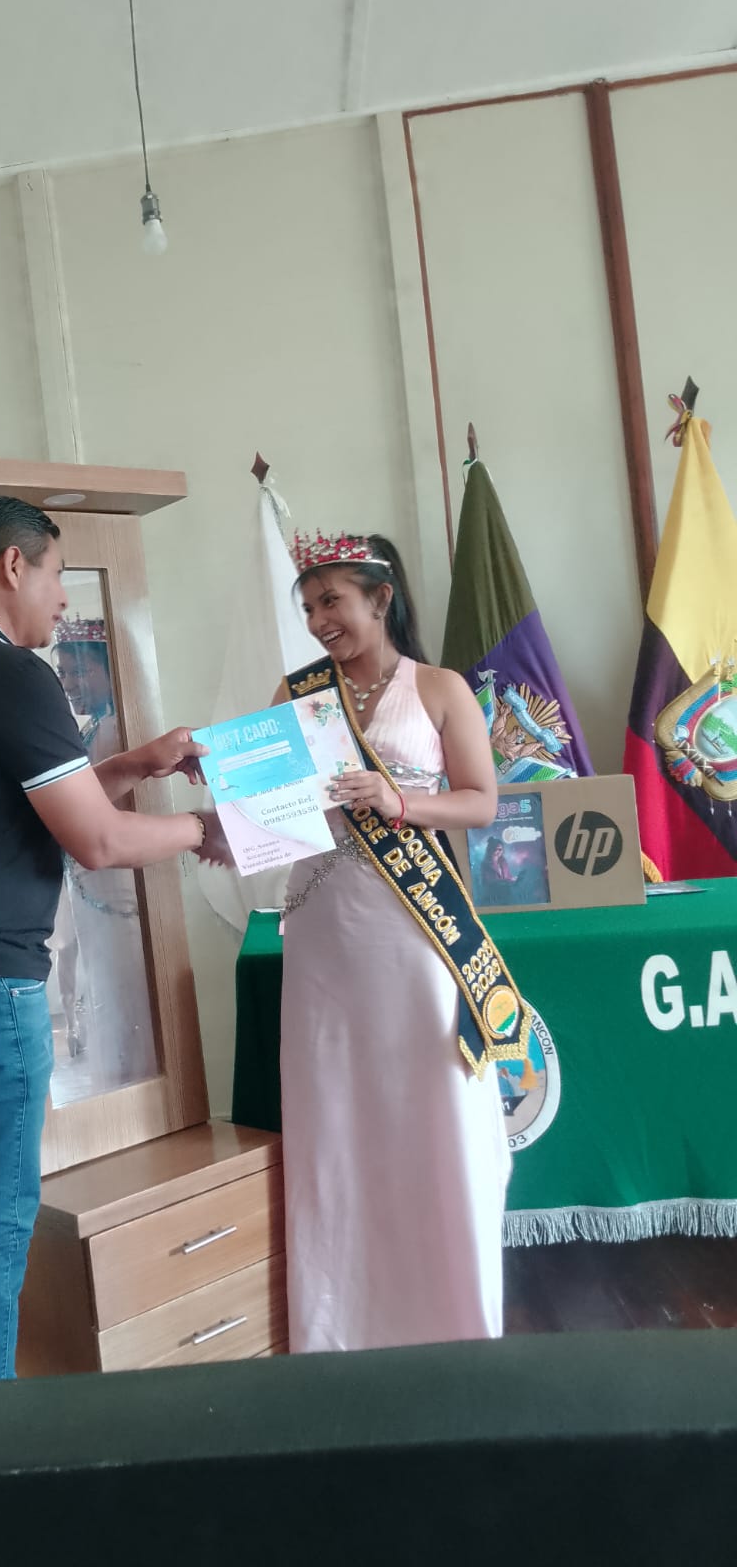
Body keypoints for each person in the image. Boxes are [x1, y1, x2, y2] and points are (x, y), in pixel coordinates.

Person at [0, 495, 207, 1384]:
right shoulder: (14, 673)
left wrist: (139, 763)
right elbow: (97, 840)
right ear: (13, 566)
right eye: (56, 574)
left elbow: (35, 803)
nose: (62, 597)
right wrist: (205, 830)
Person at [272, 530, 510, 1352]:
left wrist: (399, 801)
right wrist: (223, 809)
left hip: (414, 935)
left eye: (331, 601)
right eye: (309, 606)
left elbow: (481, 802)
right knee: (335, 1113)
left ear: (380, 597)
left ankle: (452, 1322)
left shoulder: (438, 688)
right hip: (323, 932)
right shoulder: (298, 695)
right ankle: (342, 1327)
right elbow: (271, 807)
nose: (318, 621)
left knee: (431, 1106)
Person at [50, 620, 158, 1089]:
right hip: (89, 884)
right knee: (103, 986)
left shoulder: (119, 727)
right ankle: (115, 1082)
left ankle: (136, 1083)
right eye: (63, 673)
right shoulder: (92, 728)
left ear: (109, 670)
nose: (69, 683)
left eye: (79, 671)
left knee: (126, 989)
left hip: (118, 882)